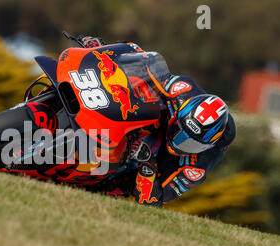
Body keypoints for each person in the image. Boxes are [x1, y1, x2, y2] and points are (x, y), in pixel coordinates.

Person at [80, 36, 237, 207]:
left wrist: (147, 162)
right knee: (139, 88)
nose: (177, 142)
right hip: (157, 117)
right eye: (179, 131)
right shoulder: (181, 90)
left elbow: (155, 201)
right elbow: (143, 61)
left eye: (189, 143)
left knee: (120, 185)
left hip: (162, 159)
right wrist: (103, 51)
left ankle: (102, 181)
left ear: (207, 146)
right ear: (179, 113)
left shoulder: (196, 167)